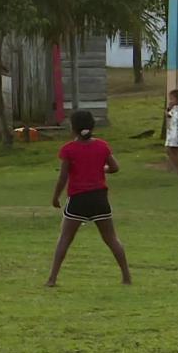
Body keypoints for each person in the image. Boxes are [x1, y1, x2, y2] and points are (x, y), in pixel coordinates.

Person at [46, 110, 131, 287]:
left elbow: (63, 177)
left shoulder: (68, 149)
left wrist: (55, 197)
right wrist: (103, 169)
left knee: (65, 239)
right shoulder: (102, 146)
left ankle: (52, 279)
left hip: (78, 199)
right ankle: (126, 277)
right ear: (92, 126)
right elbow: (115, 167)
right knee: (111, 239)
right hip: (99, 198)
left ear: (73, 128)